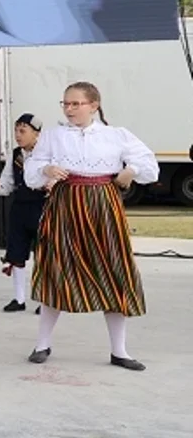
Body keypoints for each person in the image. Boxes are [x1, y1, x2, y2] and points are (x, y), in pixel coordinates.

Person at [23, 81, 157, 371]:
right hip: (65, 205)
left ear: (93, 106)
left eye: (76, 103)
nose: (69, 109)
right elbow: (32, 170)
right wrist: (46, 168)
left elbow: (148, 163)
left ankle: (119, 351)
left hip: (104, 205)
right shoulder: (54, 136)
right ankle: (42, 344)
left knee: (114, 270)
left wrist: (131, 170)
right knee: (57, 269)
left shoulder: (115, 135)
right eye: (66, 103)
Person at [0, 113, 46, 313]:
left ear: (36, 133)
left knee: (43, 254)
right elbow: (8, 181)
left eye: (23, 131)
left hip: (42, 207)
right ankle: (19, 299)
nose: (18, 135)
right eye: (16, 131)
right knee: (16, 253)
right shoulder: (16, 155)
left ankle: (44, 300)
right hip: (20, 208)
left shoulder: (46, 153)